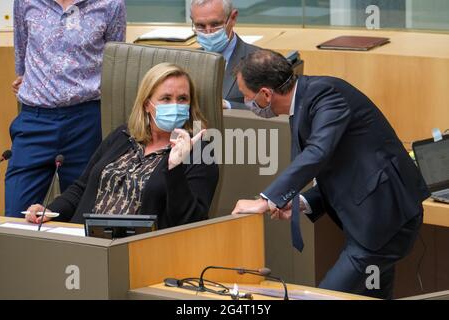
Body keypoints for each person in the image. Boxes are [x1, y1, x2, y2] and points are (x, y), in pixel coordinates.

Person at [231, 49, 430, 299]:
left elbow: (318, 153)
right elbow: (337, 168)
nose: (248, 104)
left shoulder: (326, 95)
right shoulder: (306, 100)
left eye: (248, 97)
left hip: (384, 220)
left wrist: (265, 201)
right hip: (372, 220)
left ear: (266, 94)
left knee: (325, 296)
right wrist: (301, 202)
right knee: (374, 294)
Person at [25, 63, 219, 228]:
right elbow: (81, 188)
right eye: (166, 98)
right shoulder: (123, 136)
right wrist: (50, 210)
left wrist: (175, 168)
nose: (175, 105)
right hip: (86, 241)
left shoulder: (200, 152)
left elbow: (190, 223)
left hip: (141, 252)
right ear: (146, 104)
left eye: (182, 99)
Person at [6, 0, 126, 217]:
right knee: (15, 214)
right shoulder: (25, 2)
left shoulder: (111, 3)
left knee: (84, 216)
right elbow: (22, 55)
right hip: (35, 119)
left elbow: (115, 62)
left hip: (87, 121)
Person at [190, 0, 260, 110]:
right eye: (200, 25)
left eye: (215, 24)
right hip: (196, 126)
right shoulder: (188, 61)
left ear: (233, 18)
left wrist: (229, 106)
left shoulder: (261, 62)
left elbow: (273, 111)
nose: (209, 32)